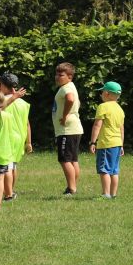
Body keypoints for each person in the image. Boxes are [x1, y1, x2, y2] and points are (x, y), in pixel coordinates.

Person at [0, 72, 33, 200]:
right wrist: (28, 142)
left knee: (7, 167)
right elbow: (27, 123)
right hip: (20, 138)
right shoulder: (23, 103)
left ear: (4, 86)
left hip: (7, 138)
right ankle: (11, 190)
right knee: (13, 166)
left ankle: (8, 194)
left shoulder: (3, 101)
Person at [89, 80, 125, 199]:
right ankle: (113, 194)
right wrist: (122, 145)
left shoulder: (103, 107)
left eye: (102, 92)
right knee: (114, 171)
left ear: (107, 94)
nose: (101, 95)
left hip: (106, 144)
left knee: (104, 170)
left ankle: (106, 194)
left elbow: (97, 125)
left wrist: (93, 141)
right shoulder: (120, 109)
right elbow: (121, 129)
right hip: (117, 143)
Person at [53, 61, 83, 196]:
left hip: (67, 130)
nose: (57, 77)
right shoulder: (71, 86)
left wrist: (65, 116)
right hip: (75, 128)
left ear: (70, 76)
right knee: (73, 160)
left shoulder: (66, 88)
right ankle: (71, 186)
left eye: (61, 75)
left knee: (64, 159)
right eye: (56, 74)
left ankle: (71, 189)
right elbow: (78, 102)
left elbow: (70, 100)